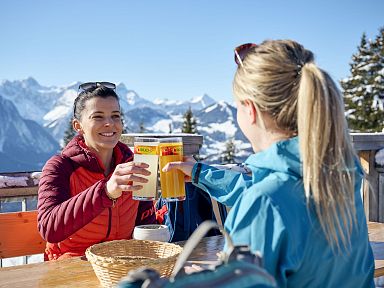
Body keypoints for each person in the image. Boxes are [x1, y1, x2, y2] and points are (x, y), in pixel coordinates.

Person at [162, 40, 375, 287]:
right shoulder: (338, 175)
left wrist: (207, 280)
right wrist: (201, 173)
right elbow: (274, 196)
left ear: (250, 110)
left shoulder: (265, 205)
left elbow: (267, 203)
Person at [37, 82, 156, 260]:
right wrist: (106, 191)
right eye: (98, 117)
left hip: (121, 265)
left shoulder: (132, 164)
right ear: (78, 126)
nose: (109, 123)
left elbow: (145, 223)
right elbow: (49, 228)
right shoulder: (60, 167)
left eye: (115, 116)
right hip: (71, 266)